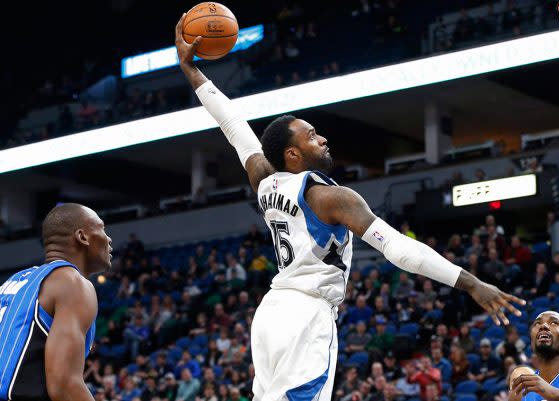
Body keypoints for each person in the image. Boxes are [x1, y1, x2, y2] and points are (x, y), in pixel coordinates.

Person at [175, 16, 525, 401]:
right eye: (311, 136)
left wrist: (191, 69)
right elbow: (399, 249)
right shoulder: (331, 197)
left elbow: (233, 125)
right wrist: (472, 283)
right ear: (292, 154)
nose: (322, 138)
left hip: (272, 314)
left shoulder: (263, 179)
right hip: (306, 314)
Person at [0, 203, 112, 401]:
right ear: (82, 237)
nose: (108, 238)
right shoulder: (71, 282)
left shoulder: (14, 281)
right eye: (102, 228)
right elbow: (65, 386)